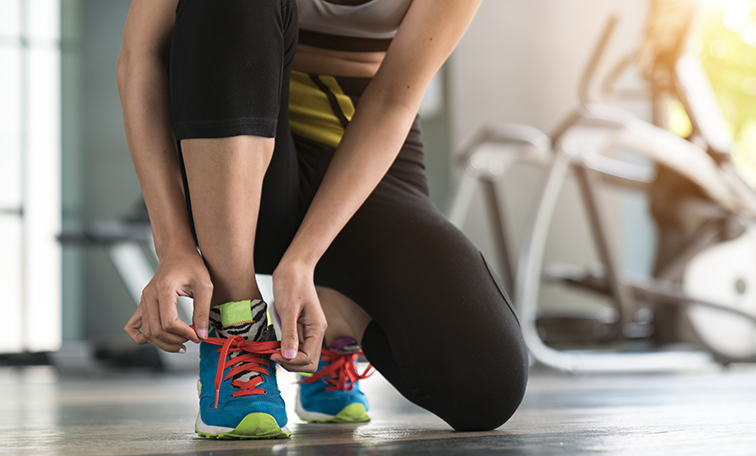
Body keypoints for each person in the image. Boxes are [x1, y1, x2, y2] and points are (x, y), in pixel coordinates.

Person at [117, 0, 527, 439]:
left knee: (487, 383)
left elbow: (392, 101)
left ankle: (339, 313)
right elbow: (139, 59)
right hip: (235, 160)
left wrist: (304, 260)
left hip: (362, 156)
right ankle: (236, 321)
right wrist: (173, 242)